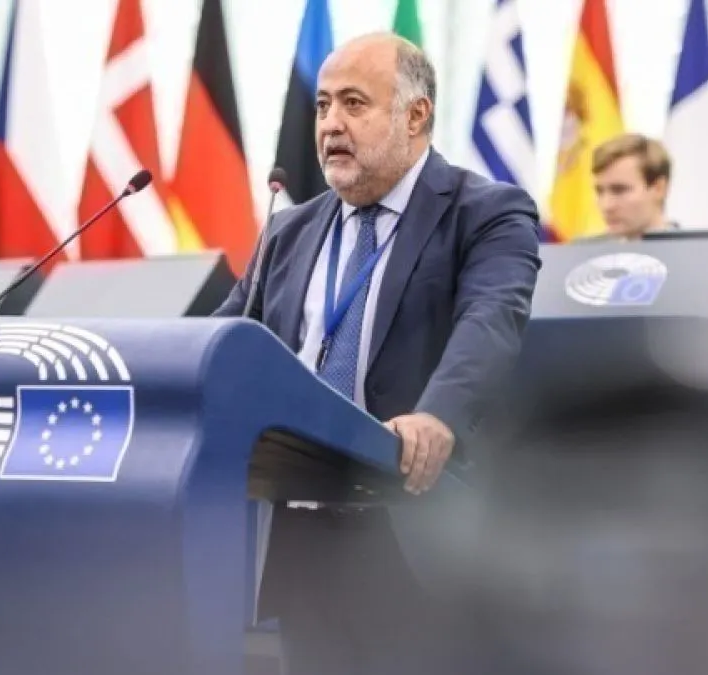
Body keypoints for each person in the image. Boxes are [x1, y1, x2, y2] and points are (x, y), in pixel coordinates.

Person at [211, 32, 541, 675]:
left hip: (417, 535)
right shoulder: (288, 229)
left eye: (354, 103)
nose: (330, 124)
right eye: (323, 105)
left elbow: (491, 319)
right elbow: (223, 342)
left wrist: (437, 415)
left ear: (415, 115)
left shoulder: (486, 213)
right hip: (303, 541)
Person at [584, 132, 677, 241]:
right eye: (599, 192)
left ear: (659, 189)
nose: (607, 206)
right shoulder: (582, 250)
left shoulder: (690, 250)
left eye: (619, 190)